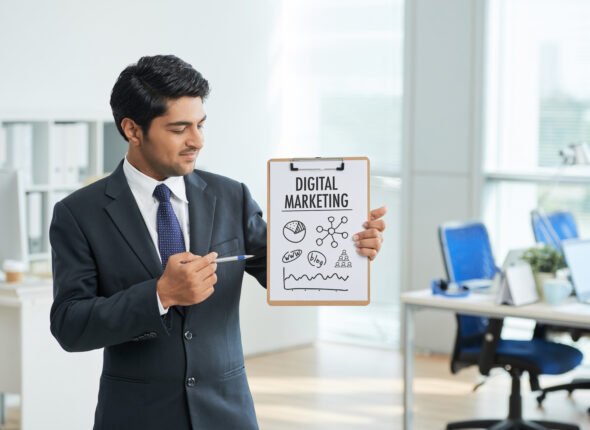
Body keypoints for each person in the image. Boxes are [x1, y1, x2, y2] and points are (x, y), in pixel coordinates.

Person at [49, 54, 386, 430]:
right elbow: (70, 324)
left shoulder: (231, 196)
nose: (197, 141)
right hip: (136, 416)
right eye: (179, 129)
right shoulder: (79, 214)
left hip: (228, 413)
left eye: (201, 125)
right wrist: (159, 295)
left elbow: (288, 271)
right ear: (132, 130)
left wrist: (348, 248)